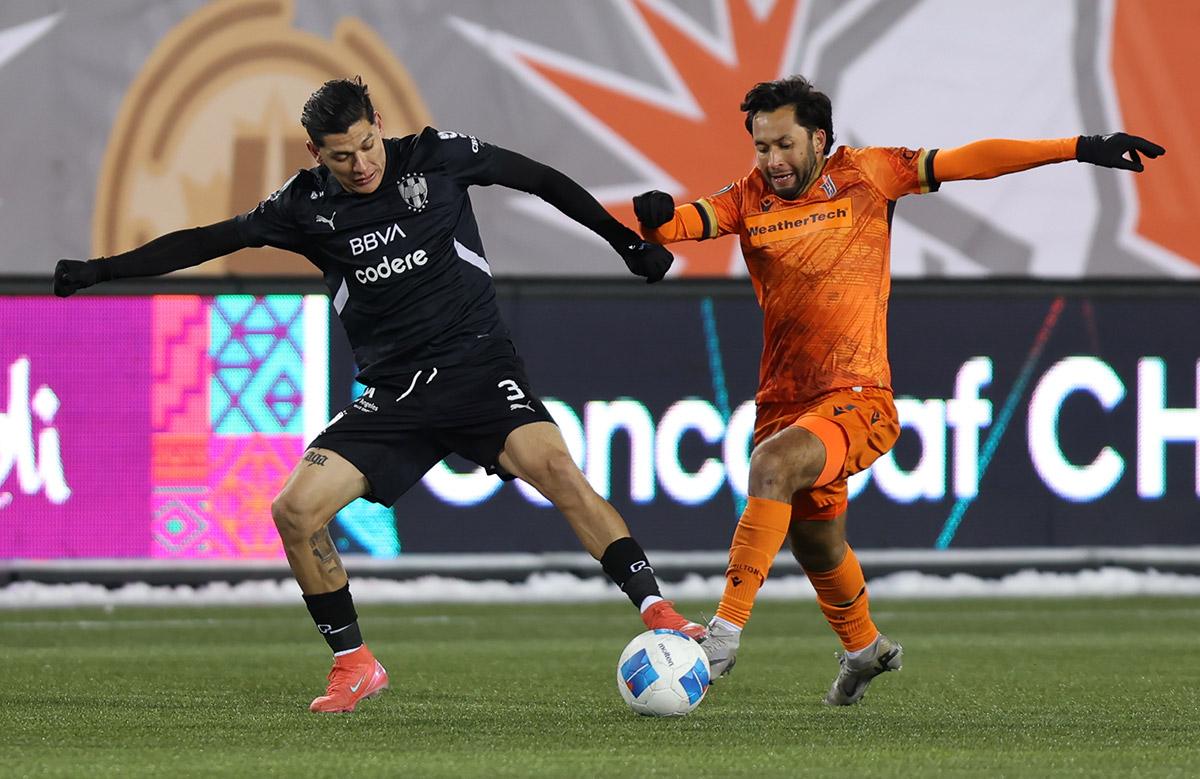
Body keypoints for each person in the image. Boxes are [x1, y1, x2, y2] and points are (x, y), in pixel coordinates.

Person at [54, 76, 705, 713]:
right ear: (316, 153)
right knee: (293, 511)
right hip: (396, 393)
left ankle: (660, 610)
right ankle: (354, 662)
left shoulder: (436, 157)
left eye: (367, 144)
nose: (360, 163)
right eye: (341, 155)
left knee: (557, 467)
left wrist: (623, 242)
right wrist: (100, 271)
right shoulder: (304, 207)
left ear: (379, 126)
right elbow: (208, 240)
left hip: (478, 366)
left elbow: (537, 177)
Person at [632, 75, 1164, 706]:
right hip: (784, 402)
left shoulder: (869, 175)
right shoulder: (749, 198)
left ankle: (721, 637)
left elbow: (972, 161)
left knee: (770, 468)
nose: (772, 161)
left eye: (784, 145)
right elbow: (687, 224)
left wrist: (1078, 146)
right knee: (816, 543)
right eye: (761, 148)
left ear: (819, 139)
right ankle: (864, 650)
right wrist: (656, 220)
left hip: (860, 398)